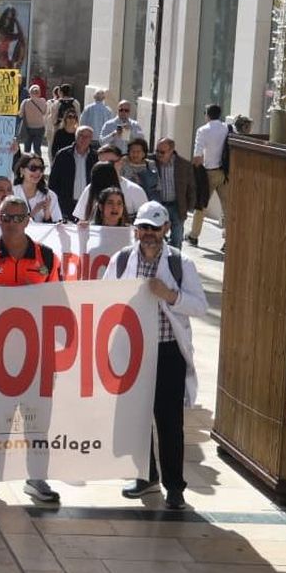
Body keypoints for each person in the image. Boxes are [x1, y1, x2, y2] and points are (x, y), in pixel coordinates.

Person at [103, 203, 204, 510]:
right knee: (137, 417)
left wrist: (170, 295)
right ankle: (145, 476)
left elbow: (200, 306)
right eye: (144, 228)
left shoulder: (180, 263)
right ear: (136, 230)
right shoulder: (121, 261)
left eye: (154, 228)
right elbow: (105, 300)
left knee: (169, 422)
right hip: (134, 351)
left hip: (168, 351)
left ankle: (175, 487)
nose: (148, 234)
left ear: (166, 230)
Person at [0, 195, 61, 506]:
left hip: (37, 353)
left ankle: (37, 479)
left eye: (18, 218)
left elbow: (59, 303)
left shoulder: (47, 257)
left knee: (38, 420)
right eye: (6, 217)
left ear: (28, 220)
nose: (11, 223)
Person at [187, 103, 230, 247]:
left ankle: (194, 235)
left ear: (207, 114)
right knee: (227, 207)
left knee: (201, 204)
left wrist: (194, 174)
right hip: (225, 173)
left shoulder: (202, 130)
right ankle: (227, 240)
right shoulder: (227, 128)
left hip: (208, 173)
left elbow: (197, 156)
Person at [151, 138, 197, 250]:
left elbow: (191, 187)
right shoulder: (151, 162)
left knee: (176, 240)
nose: (158, 154)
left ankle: (174, 263)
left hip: (177, 206)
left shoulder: (184, 165)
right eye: (157, 151)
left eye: (162, 152)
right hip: (158, 206)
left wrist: (189, 206)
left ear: (171, 150)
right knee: (156, 237)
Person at [48, 126, 96, 221]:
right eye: (81, 135)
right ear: (75, 136)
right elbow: (53, 181)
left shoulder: (95, 157)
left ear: (91, 139)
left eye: (87, 136)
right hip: (66, 204)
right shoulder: (63, 155)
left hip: (87, 204)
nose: (84, 139)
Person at [13, 154, 63, 223]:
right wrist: (33, 212)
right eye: (33, 168)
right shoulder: (12, 193)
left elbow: (56, 225)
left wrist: (47, 213)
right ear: (22, 171)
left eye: (41, 169)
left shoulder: (50, 196)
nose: (38, 172)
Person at [18, 85, 49, 155]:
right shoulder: (43, 101)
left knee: (27, 148)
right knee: (37, 148)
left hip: (28, 128)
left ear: (30, 92)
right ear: (39, 93)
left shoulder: (25, 102)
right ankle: (39, 163)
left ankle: (26, 162)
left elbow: (20, 114)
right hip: (40, 127)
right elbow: (45, 112)